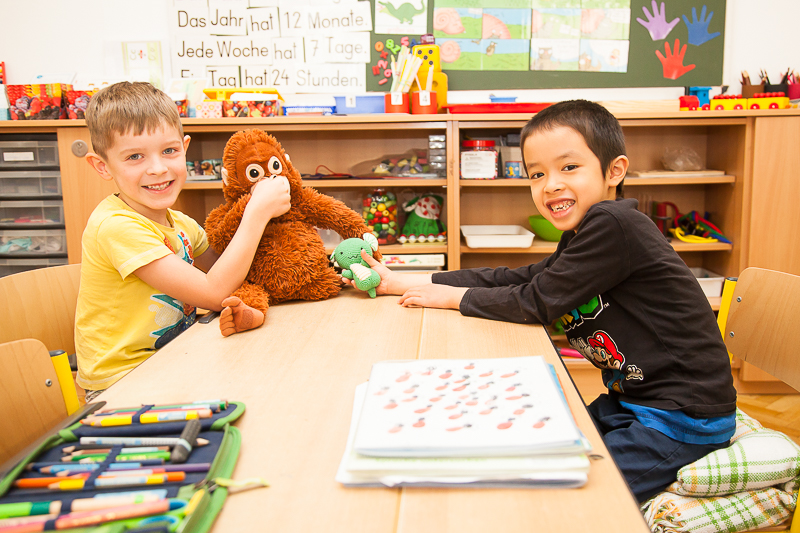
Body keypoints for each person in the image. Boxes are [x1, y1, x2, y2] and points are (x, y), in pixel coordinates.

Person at [353, 100, 737, 503]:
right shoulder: (585, 232)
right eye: (537, 174)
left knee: (567, 495)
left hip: (681, 418)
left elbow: (536, 300)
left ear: (614, 171)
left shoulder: (615, 224)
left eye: (568, 167)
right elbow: (523, 277)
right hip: (634, 402)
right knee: (536, 446)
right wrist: (410, 280)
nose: (550, 184)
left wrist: (450, 297)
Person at [75, 81, 291, 401]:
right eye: (135, 156)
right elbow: (214, 292)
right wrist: (256, 213)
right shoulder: (116, 226)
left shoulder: (181, 224)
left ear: (185, 148)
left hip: (175, 359)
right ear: (102, 166)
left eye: (169, 151)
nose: (158, 168)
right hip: (123, 385)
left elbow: (231, 272)